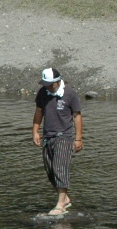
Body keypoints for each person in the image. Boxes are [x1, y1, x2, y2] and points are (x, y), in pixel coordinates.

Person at [33, 68, 84, 217]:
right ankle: (65, 198)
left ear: (57, 82)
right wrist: (35, 131)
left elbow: (77, 116)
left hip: (64, 136)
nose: (47, 86)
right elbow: (38, 111)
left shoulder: (70, 94)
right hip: (48, 136)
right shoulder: (43, 92)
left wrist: (78, 138)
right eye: (45, 84)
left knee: (60, 167)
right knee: (50, 171)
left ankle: (60, 204)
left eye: (49, 84)